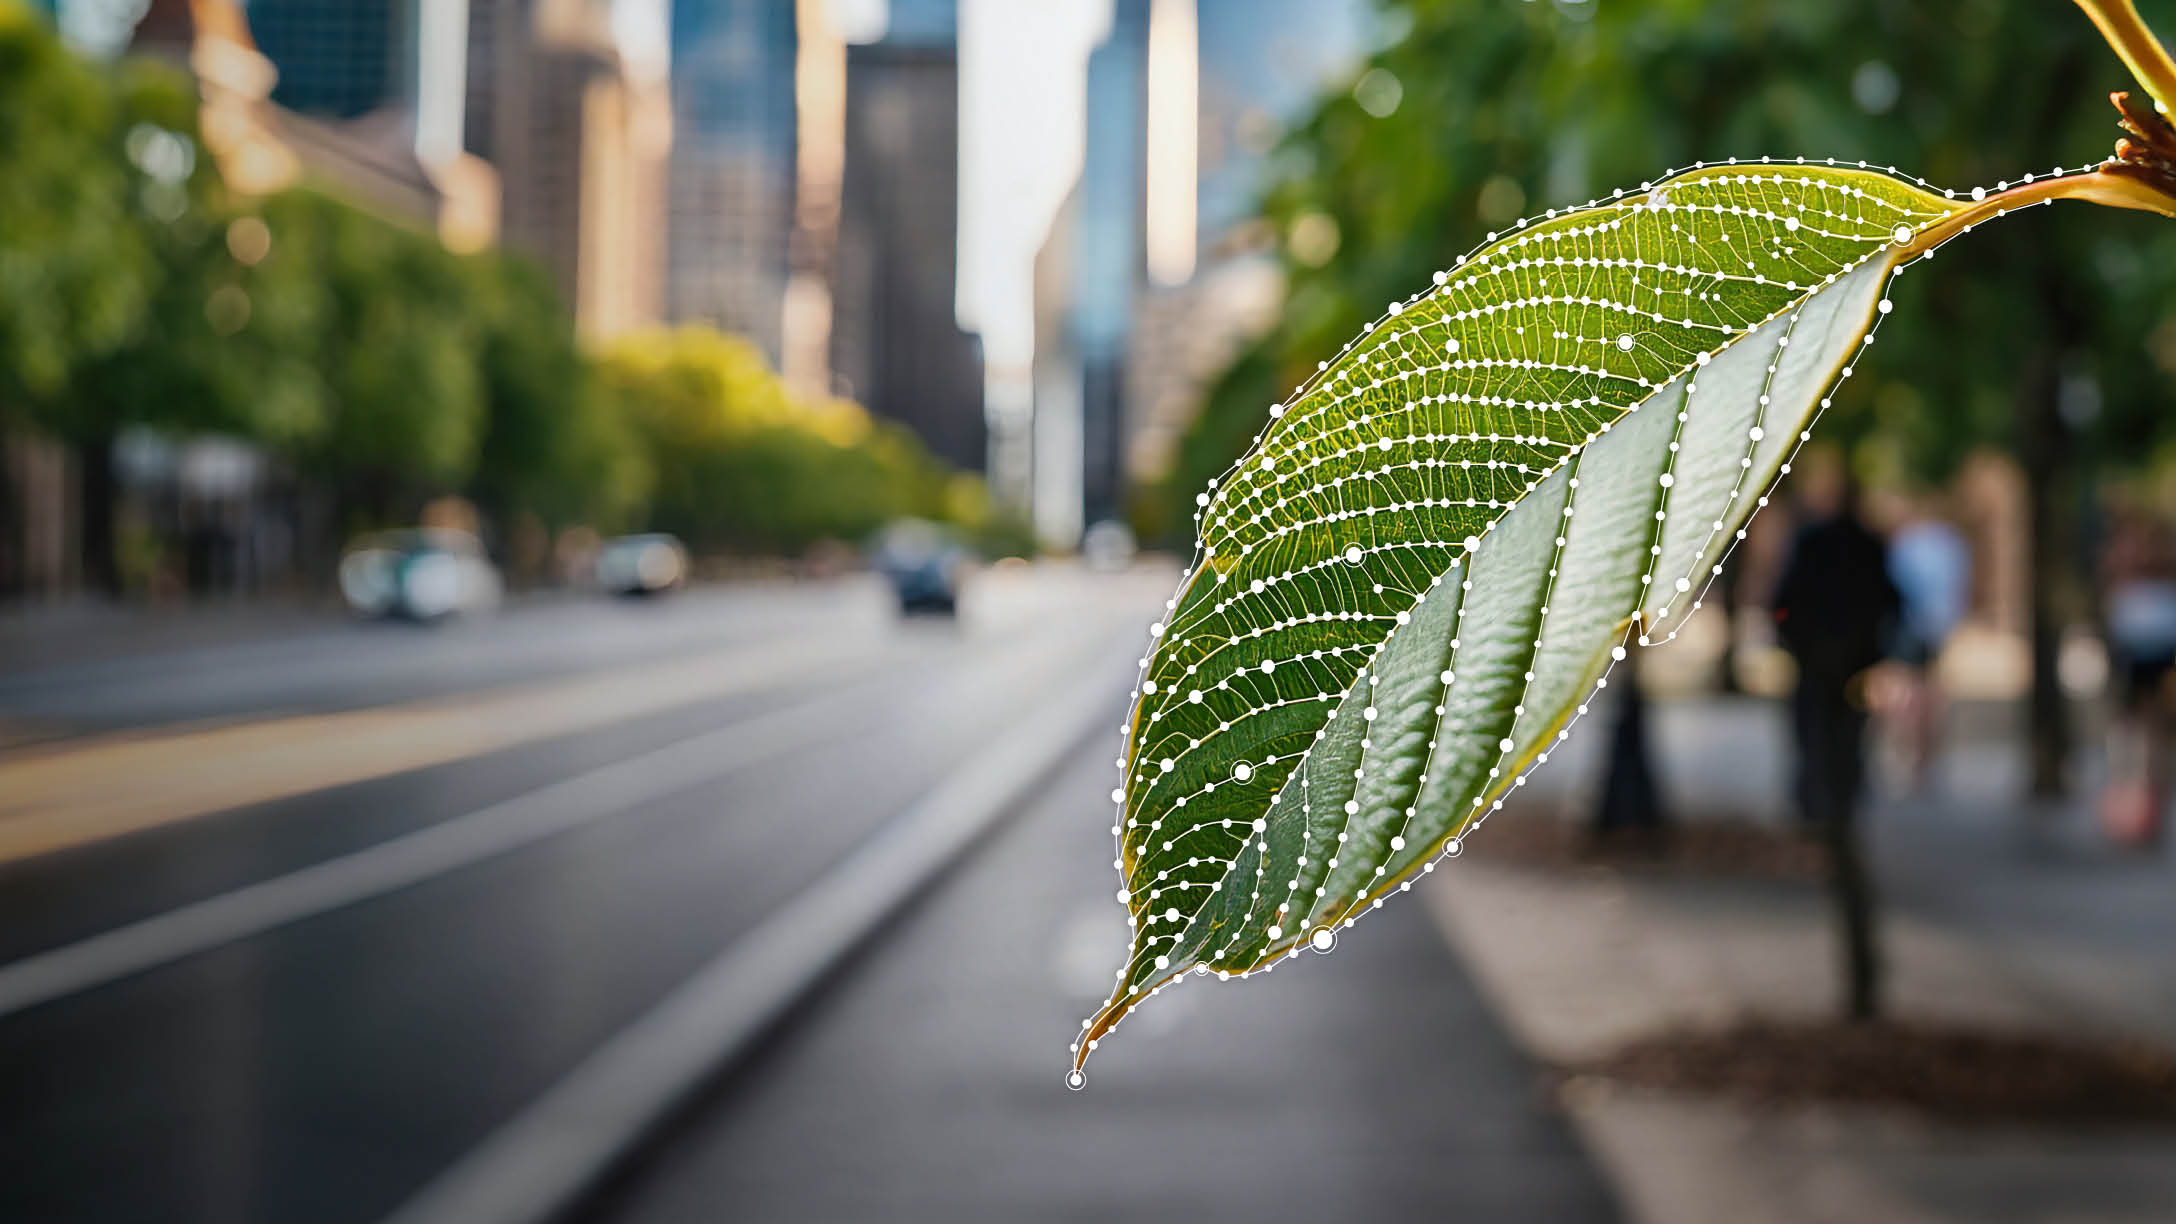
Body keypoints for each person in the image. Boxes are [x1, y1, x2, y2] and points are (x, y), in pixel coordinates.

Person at [1772, 472, 1899, 1020]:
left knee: (1822, 761)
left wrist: (1803, 648)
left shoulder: (1820, 544)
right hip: (1844, 680)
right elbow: (1893, 607)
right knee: (1835, 764)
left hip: (1827, 680)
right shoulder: (1863, 547)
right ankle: (1828, 804)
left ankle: (1823, 805)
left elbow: (1783, 605)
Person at [2099, 503, 2176, 848]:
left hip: (2145, 648)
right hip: (2143, 647)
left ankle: (2141, 807)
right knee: (2142, 729)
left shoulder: (2131, 565)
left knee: (2143, 729)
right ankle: (2136, 806)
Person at [1883, 503, 1971, 790]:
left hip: (1912, 625)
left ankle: (1914, 751)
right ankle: (1924, 756)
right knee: (1929, 691)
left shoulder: (1907, 543)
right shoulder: (1951, 542)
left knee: (1910, 690)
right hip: (1938, 626)